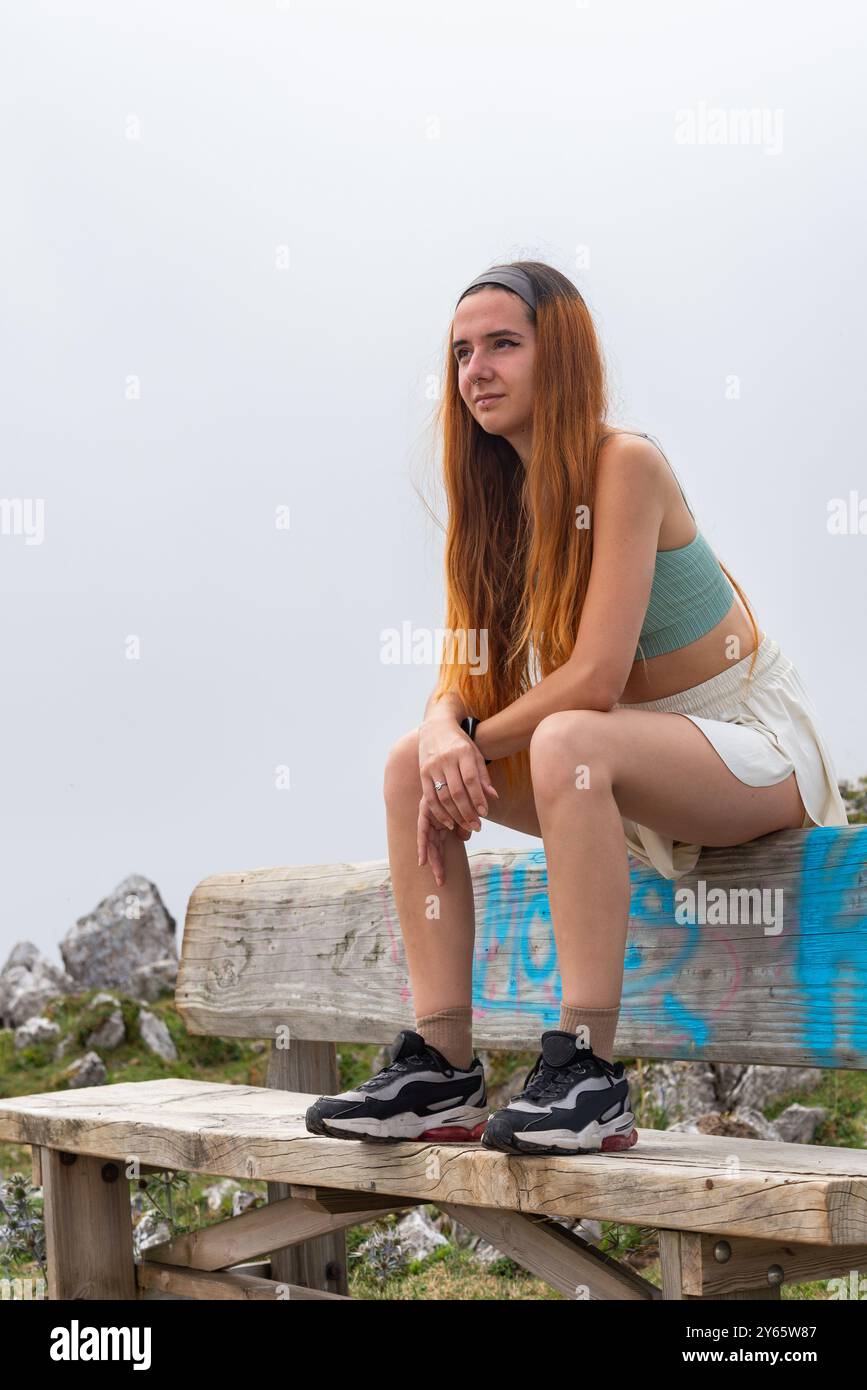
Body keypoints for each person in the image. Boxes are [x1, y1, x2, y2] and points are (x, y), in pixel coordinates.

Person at [306, 260, 849, 1157]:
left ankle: (591, 1076)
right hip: (620, 770)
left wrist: (471, 738)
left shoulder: (623, 465)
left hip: (744, 750)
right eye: (461, 353)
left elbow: (594, 678)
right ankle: (442, 1069)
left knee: (564, 740)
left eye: (502, 346)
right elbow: (467, 671)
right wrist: (445, 728)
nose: (475, 370)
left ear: (558, 354)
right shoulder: (493, 506)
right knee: (411, 761)